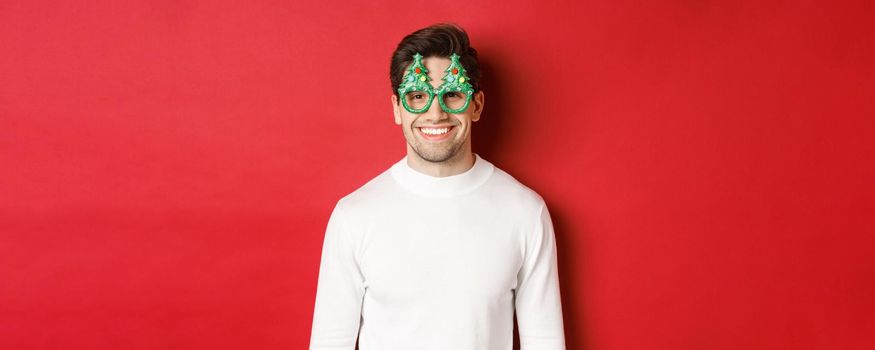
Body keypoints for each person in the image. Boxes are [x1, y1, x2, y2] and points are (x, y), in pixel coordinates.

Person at [308, 23, 566, 350]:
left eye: (452, 94)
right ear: (397, 109)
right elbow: (330, 342)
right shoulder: (354, 216)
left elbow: (545, 341)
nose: (435, 113)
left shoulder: (525, 211)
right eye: (417, 96)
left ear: (476, 105)